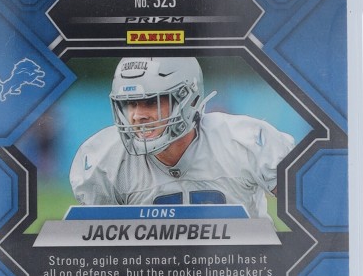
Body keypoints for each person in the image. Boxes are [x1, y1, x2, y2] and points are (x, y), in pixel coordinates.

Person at [69, 57, 295, 219]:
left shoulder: (243, 141)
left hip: (240, 267)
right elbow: (98, 250)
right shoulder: (108, 159)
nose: (137, 115)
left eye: (151, 102)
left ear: (188, 100)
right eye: (130, 103)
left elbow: (307, 213)